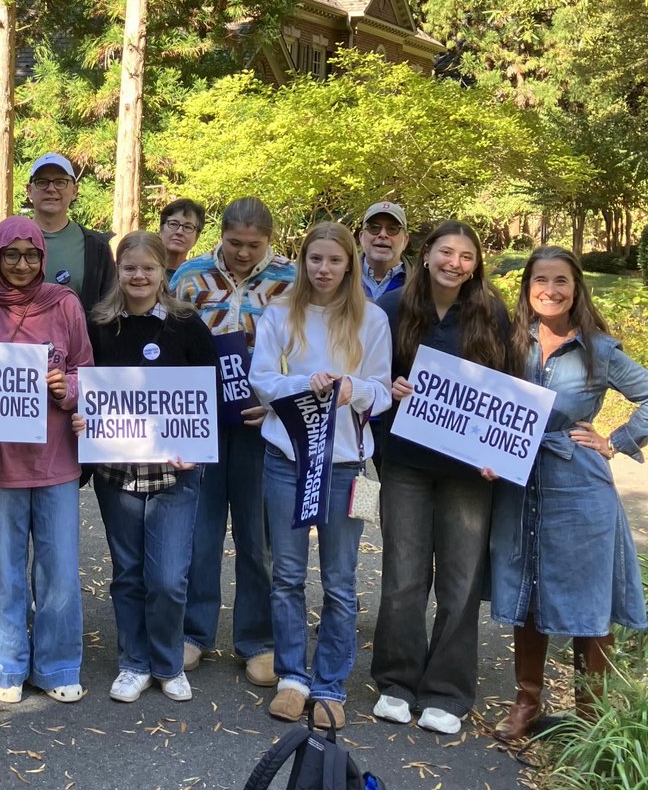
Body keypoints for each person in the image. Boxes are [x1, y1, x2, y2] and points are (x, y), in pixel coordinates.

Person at [490, 246, 648, 742]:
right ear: (527, 286)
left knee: (587, 597)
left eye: (561, 281)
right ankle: (527, 702)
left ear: (576, 287)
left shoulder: (598, 349)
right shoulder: (511, 341)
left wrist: (615, 441)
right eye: (541, 280)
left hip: (578, 488)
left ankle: (589, 716)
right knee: (527, 587)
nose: (550, 290)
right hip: (519, 481)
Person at [370, 221, 510, 736]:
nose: (455, 263)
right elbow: (367, 383)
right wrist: (390, 389)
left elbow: (508, 387)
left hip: (469, 470)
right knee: (404, 577)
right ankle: (397, 681)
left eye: (466, 256)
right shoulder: (390, 310)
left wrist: (503, 451)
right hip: (406, 463)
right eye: (446, 252)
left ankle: (447, 692)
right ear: (426, 255)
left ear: (476, 264)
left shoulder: (490, 312)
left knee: (460, 582)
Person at [250, 222, 391, 729]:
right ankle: (292, 677)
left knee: (339, 579)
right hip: (287, 461)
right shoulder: (280, 313)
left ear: (350, 264)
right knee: (286, 574)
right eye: (315, 260)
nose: (324, 269)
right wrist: (301, 384)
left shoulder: (371, 320)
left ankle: (330, 683)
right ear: (303, 262)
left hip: (347, 466)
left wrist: (353, 388)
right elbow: (261, 378)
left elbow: (383, 389)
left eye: (334, 261)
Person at [0, 217, 92, 705]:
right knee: (3, 569)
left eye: (30, 255)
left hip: (56, 458)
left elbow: (85, 370)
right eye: (10, 255)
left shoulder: (65, 304)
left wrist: (67, 388)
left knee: (59, 568)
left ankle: (57, 664)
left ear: (43, 258)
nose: (20, 264)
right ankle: (10, 663)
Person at [80, 232, 217, 703]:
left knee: (168, 577)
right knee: (129, 572)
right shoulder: (99, 324)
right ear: (118, 272)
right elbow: (86, 387)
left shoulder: (187, 325)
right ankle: (134, 662)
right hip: (117, 472)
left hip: (175, 474)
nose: (138, 276)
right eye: (129, 268)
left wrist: (196, 442)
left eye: (148, 269)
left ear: (164, 273)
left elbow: (209, 394)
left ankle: (168, 661)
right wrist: (83, 413)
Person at [170, 198, 295, 685]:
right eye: (234, 243)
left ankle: (257, 640)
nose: (243, 254)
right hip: (202, 420)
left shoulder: (292, 279)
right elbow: (172, 343)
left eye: (254, 245)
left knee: (256, 534)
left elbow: (302, 348)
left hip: (264, 422)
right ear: (220, 235)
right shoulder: (189, 277)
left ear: (269, 239)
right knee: (199, 532)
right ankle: (194, 633)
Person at [5, 153, 115, 311]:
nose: (51, 189)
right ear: (29, 191)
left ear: (74, 191)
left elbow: (107, 307)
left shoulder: (96, 247)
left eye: (60, 182)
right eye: (42, 182)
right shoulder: (6, 241)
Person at [359, 201, 409, 301]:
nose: (382, 234)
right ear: (361, 237)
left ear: (405, 240)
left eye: (392, 229)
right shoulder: (341, 278)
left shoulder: (421, 285)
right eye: (374, 228)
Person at [159, 199, 205, 279]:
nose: (179, 232)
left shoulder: (198, 279)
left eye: (188, 227)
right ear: (161, 229)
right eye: (173, 224)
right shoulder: (141, 270)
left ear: (196, 237)